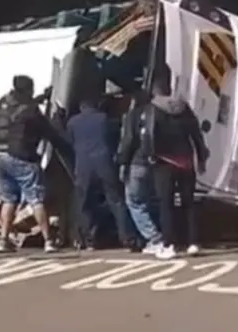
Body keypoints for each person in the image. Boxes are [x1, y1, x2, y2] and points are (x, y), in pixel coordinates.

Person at [0, 75, 67, 254]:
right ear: (27, 90)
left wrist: (40, 99)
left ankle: (3, 240)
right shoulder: (31, 111)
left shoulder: (2, 102)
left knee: (8, 199)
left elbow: (18, 112)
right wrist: (66, 144)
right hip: (21, 158)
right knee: (36, 199)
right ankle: (48, 241)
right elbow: (48, 132)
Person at [139, 69, 209, 260]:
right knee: (189, 203)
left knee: (166, 204)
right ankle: (193, 242)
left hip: (164, 162)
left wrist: (149, 156)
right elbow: (196, 134)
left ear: (154, 89)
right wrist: (201, 158)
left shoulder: (152, 109)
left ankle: (169, 245)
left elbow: (148, 135)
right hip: (186, 161)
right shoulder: (184, 107)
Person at [66, 97, 134, 251]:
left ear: (81, 107)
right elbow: (115, 138)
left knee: (84, 203)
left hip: (83, 167)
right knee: (116, 201)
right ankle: (127, 238)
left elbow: (69, 142)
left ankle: (89, 240)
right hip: (105, 164)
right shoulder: (105, 119)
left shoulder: (73, 122)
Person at [116, 89, 163, 253]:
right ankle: (157, 235)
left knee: (134, 202)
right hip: (155, 164)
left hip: (136, 163)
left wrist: (122, 162)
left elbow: (128, 141)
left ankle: (154, 238)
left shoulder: (132, 116)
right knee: (150, 200)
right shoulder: (158, 114)